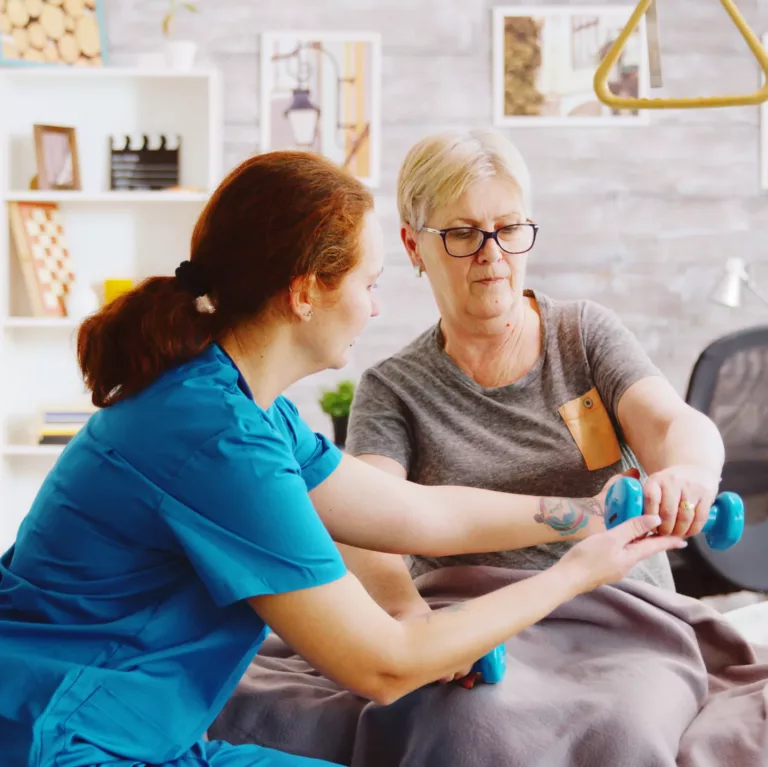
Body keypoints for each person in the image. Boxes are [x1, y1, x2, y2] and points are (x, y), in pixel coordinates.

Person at [0, 151, 684, 767]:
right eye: (369, 281)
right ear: (306, 292)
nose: (376, 306)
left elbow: (420, 513)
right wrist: (574, 574)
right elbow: (383, 666)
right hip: (67, 739)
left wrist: (585, 515)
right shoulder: (217, 439)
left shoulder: (250, 410)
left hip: (150, 734)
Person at [339, 127, 726, 681]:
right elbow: (368, 520)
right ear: (411, 245)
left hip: (617, 615)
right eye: (463, 234)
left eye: (509, 229)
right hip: (482, 628)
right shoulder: (393, 389)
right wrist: (409, 617)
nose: (492, 255)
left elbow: (669, 422)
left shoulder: (584, 335)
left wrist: (692, 470)